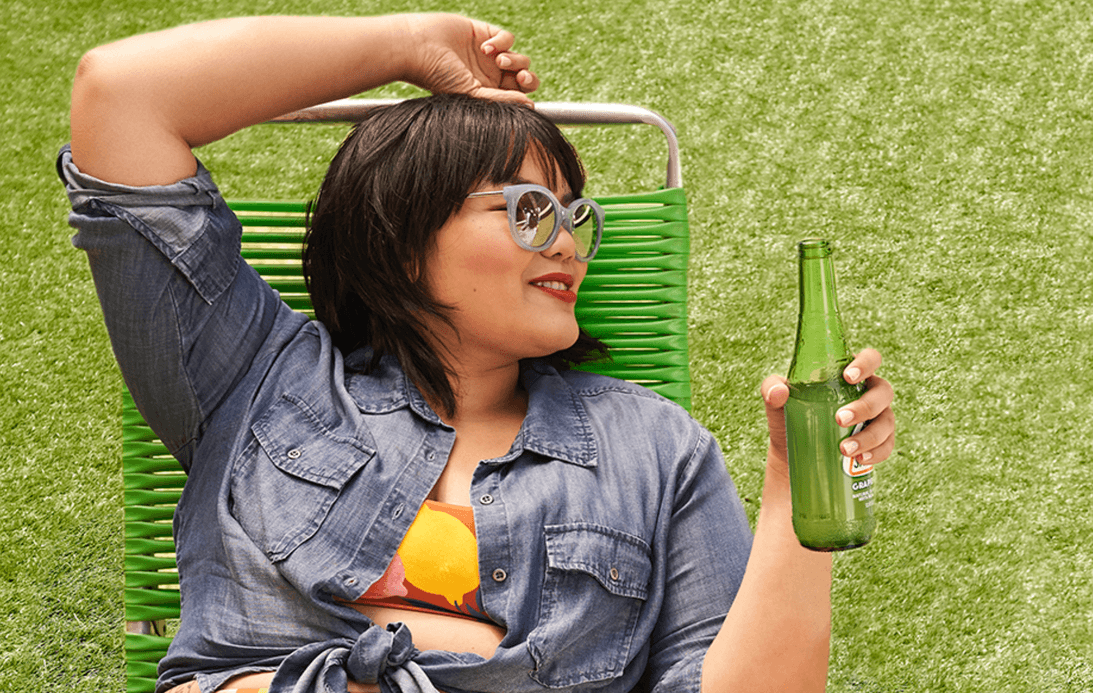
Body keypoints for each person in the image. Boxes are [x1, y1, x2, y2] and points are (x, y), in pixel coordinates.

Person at [59, 13, 895, 693]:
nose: (568, 244)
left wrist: (793, 486)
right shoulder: (252, 378)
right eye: (531, 210)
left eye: (578, 218)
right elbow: (121, 95)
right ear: (402, 232)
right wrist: (403, 46)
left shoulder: (656, 451)